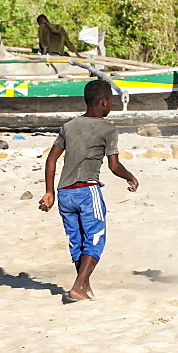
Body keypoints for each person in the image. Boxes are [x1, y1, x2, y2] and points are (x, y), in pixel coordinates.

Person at [38, 79, 139, 302]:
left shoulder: (69, 126)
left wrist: (49, 192)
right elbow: (114, 166)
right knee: (95, 238)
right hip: (87, 190)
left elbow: (51, 159)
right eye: (111, 101)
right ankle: (78, 286)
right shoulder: (108, 128)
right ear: (104, 102)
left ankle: (84, 285)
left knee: (76, 240)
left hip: (64, 193)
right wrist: (130, 177)